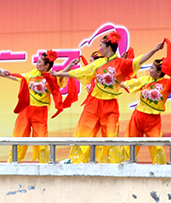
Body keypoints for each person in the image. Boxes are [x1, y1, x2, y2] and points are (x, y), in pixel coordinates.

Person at [54, 32, 164, 163]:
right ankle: (76, 163)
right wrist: (61, 74)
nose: (99, 48)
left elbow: (139, 60)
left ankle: (109, 166)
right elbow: (81, 72)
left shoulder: (121, 64)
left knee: (111, 137)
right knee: (83, 133)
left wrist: (155, 50)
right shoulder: (98, 63)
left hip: (110, 106)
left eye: (101, 45)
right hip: (93, 104)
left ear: (108, 48)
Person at [1, 50, 76, 163]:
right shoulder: (32, 74)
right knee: (19, 135)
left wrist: (70, 65)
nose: (37, 64)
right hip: (26, 110)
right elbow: (20, 77)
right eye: (37, 61)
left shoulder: (51, 76)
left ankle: (44, 163)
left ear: (46, 66)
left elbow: (61, 75)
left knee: (41, 138)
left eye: (40, 62)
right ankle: (13, 161)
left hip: (40, 112)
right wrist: (8, 75)